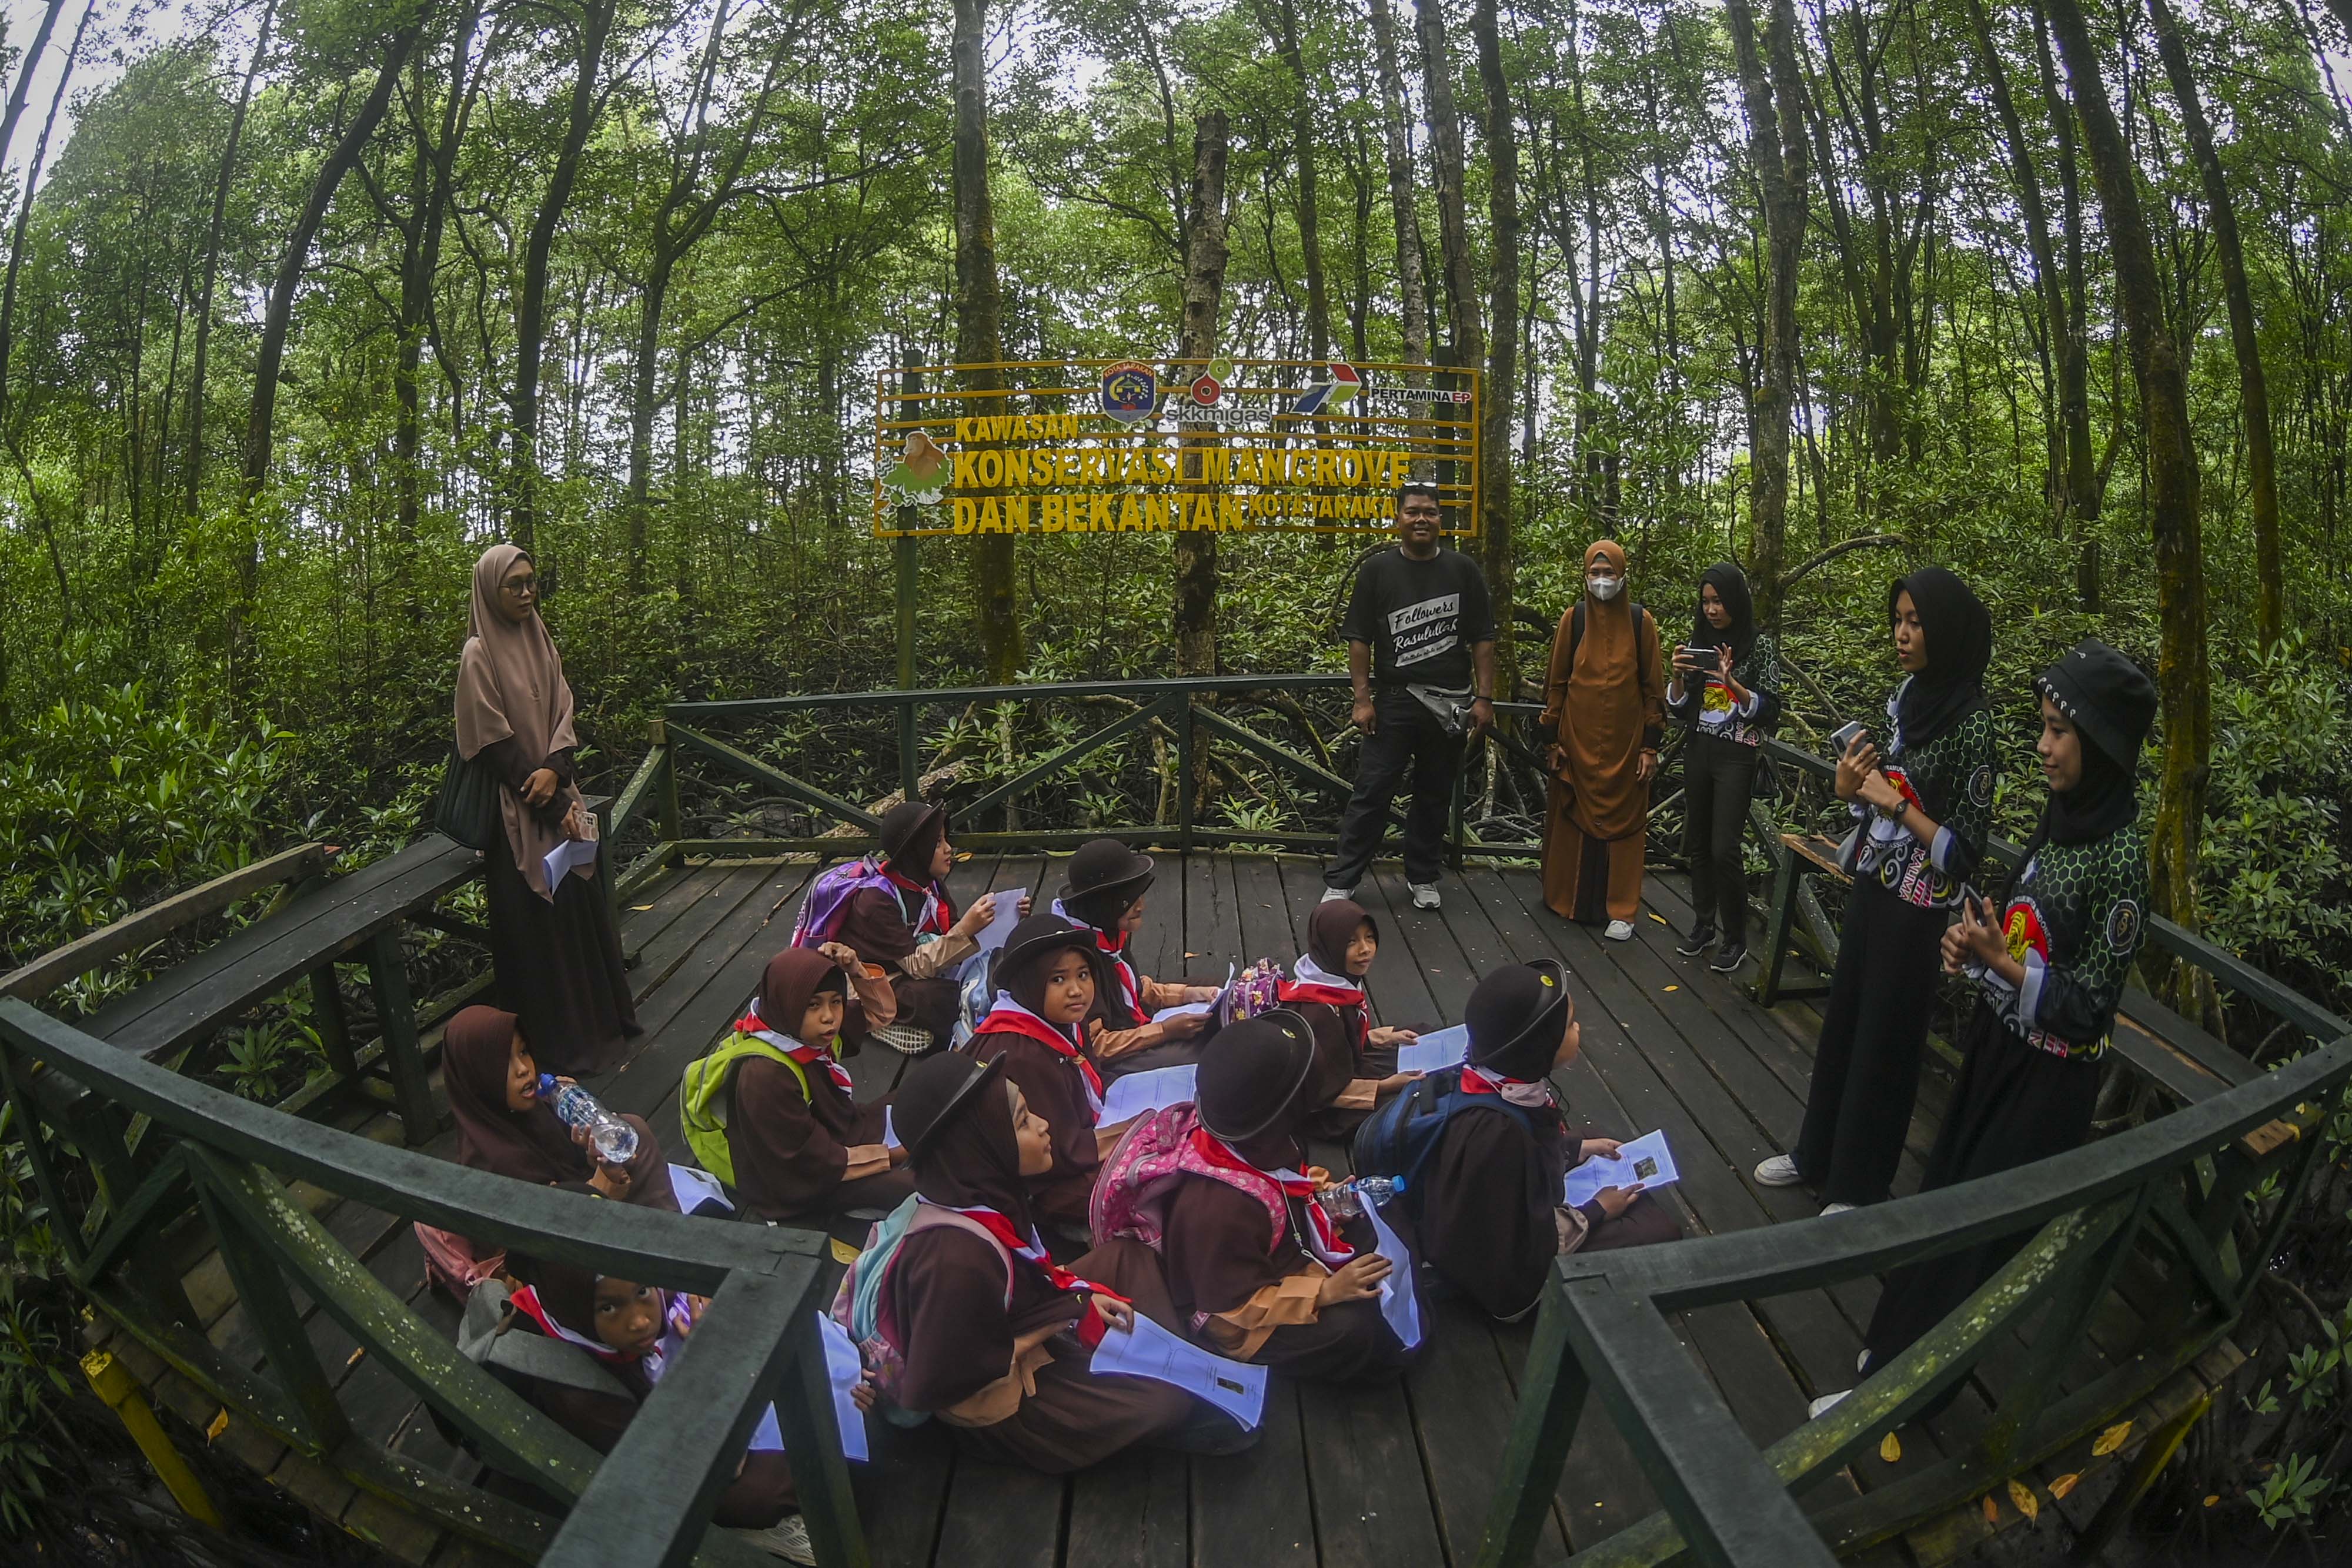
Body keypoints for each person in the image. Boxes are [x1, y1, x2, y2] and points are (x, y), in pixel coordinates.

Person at [1813, 640, 2155, 1421]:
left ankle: (1901, 1399)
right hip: (1999, 1053)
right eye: (2042, 727)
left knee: (1973, 1248)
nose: (2042, 746)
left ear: (2101, 742)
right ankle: (1887, 1360)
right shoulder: (2063, 821)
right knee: (1940, 1205)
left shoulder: (2119, 859)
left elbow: (2091, 1007)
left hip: (2046, 1088)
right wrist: (1981, 949)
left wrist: (2005, 967)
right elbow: (2029, 944)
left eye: (2059, 732)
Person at [1756, 567, 1997, 1215]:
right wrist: (1850, 786)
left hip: (1919, 907)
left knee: (1887, 1043)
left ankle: (1857, 1188)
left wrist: (1896, 805)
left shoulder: (1974, 725)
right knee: (1843, 1023)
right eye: (1897, 619)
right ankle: (1815, 1155)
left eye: (1916, 622)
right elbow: (1872, 801)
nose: (1902, 632)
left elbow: (1964, 850)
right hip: (1871, 881)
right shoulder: (1909, 697)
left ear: (1944, 629)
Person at [881, 1052, 1254, 1468]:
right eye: (1022, 1121)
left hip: (1012, 1314)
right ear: (981, 1147)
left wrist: (1074, 1298)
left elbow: (1026, 1269)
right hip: (996, 1393)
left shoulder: (979, 1194)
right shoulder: (954, 1262)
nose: (1042, 1124)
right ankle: (1168, 1371)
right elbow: (955, 1375)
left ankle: (1163, 1359)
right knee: (1164, 1404)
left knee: (1129, 1255)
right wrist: (1064, 1315)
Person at [1398, 962, 1682, 1321]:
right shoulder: (1501, 1136)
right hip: (1504, 1279)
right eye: (1567, 1027)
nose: (1578, 1029)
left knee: (1593, 1143)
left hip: (1470, 1217)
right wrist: (1596, 1211)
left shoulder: (1486, 1076)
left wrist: (1576, 1150)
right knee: (1658, 1230)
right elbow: (1521, 1243)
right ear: (1537, 1047)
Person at [498, 1253, 823, 1562]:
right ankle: (754, 1529)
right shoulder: (579, 1395)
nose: (640, 1321)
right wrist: (710, 1360)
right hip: (651, 1457)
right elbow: (699, 1464)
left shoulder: (647, 1285)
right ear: (578, 1311)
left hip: (683, 1409)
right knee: (780, 1483)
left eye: (642, 1291)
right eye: (609, 1308)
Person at [455, 544, 639, 1074]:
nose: (527, 592)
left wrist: (558, 769)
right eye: (515, 585)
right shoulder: (477, 653)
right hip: (518, 813)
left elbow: (564, 707)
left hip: (558, 798)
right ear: (491, 589)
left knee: (577, 912)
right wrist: (547, 794)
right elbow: (489, 741)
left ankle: (601, 1024)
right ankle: (557, 1044)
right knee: (538, 931)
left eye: (532, 582)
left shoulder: (539, 634)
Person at [1158, 1012, 1415, 1382]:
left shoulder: (1263, 1137)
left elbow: (1280, 1187)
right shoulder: (1219, 1210)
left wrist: (1324, 1196)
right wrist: (1325, 1292)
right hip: (1244, 1315)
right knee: (1355, 1330)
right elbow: (1236, 1305)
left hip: (1277, 1254)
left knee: (1379, 1215)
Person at [419, 1005, 680, 1295]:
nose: (523, 1069)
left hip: (588, 1215)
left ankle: (676, 1252)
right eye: (504, 1063)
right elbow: (541, 1248)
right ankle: (664, 1283)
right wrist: (598, 1191)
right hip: (558, 1268)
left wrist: (589, 1148)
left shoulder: (532, 1113)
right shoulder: (492, 1164)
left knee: (633, 1130)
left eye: (523, 1052)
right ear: (477, 1080)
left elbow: (570, 1169)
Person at [1322, 484, 1497, 912]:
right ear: (1398, 518)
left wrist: (1485, 698)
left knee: (1435, 791)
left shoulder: (1463, 570)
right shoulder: (1378, 571)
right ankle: (1343, 879)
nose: (1422, 519)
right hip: (1395, 699)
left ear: (1442, 520)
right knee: (1373, 789)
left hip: (1450, 700)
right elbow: (1359, 639)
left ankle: (1423, 875)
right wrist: (1362, 698)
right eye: (1414, 512)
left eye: (1432, 513)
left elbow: (1483, 639)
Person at [679, 946, 910, 1226]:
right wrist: (893, 1155)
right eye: (813, 1005)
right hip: (800, 1181)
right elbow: (808, 1162)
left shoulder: (806, 1034)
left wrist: (856, 971)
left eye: (836, 1002)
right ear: (788, 1003)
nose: (830, 1016)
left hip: (836, 1133)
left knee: (930, 1088)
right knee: (918, 1185)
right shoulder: (765, 1075)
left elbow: (881, 1014)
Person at [793, 802, 1022, 1056]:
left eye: (946, 840)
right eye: (937, 843)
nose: (949, 849)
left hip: (912, 966)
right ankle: (876, 1019)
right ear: (916, 851)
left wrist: (1005, 914)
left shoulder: (928, 884)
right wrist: (968, 929)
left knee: (997, 969)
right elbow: (916, 966)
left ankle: (899, 1019)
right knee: (942, 997)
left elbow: (947, 933)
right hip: (875, 979)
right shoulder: (876, 900)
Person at [1540, 540, 1668, 941]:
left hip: (1625, 747)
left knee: (1626, 826)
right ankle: (1568, 899)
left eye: (1608, 573)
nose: (1601, 581)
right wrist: (1550, 737)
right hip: (1577, 741)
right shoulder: (1573, 619)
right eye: (1594, 574)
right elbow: (1557, 683)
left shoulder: (1640, 622)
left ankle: (1622, 911)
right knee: (1571, 817)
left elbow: (1653, 689)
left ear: (1622, 575)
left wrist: (1650, 746)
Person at [967, 914, 1122, 1229]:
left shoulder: (1064, 1021)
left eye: (1083, 975)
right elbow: (1059, 1151)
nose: (1077, 990)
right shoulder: (1019, 1053)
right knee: (1148, 1179)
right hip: (1041, 1181)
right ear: (1030, 983)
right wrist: (1136, 1129)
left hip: (1075, 1146)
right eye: (1058, 980)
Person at [1666, 562, 1783, 971]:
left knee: (1723, 847)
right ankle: (1704, 924)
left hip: (1737, 752)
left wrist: (1733, 683)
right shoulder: (1699, 640)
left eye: (1719, 601)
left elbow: (1772, 708)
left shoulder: (1760, 645)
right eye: (1706, 602)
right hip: (1699, 746)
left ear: (1735, 599)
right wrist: (1678, 676)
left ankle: (1736, 938)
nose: (1712, 609)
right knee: (1697, 839)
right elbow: (1680, 708)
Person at [1054, 840, 1218, 1079]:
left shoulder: (1107, 931)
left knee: (1210, 983)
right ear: (1105, 905)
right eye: (1130, 900)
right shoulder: (1077, 960)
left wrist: (1188, 995)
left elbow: (1131, 989)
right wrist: (1162, 1031)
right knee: (1191, 1054)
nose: (1141, 906)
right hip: (1107, 1059)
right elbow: (1096, 1047)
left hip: (1132, 1022)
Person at [1277, 899, 1421, 1139]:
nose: (1365, 949)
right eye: (1351, 942)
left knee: (1416, 1035)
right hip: (1324, 1101)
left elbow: (1343, 1037)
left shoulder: (1330, 976)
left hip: (1341, 1066)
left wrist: (1382, 1039)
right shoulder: (1319, 1011)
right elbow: (1321, 1089)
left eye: (1370, 937)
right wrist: (1387, 1086)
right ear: (1331, 945)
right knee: (1405, 1108)